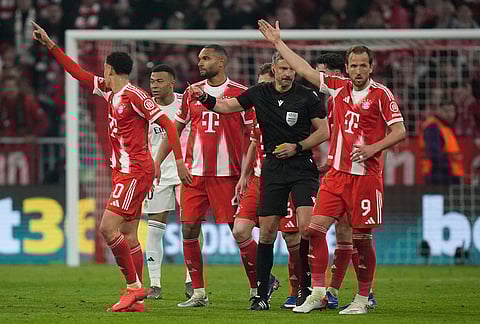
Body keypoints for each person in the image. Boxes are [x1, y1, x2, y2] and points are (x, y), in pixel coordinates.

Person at [32, 21, 191, 313]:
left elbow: (168, 123)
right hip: (125, 171)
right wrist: (51, 46)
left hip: (135, 172)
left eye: (104, 68)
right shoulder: (109, 90)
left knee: (107, 228)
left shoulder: (135, 95)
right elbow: (76, 72)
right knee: (129, 234)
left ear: (108, 68)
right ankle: (137, 300)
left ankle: (133, 287)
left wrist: (177, 160)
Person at [258, 19, 406, 315]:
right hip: (336, 176)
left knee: (361, 239)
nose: (359, 70)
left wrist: (372, 149)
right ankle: (318, 292)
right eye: (354, 65)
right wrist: (278, 43)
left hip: (365, 177)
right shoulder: (338, 88)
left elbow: (400, 131)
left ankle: (363, 297)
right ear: (348, 68)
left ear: (371, 68)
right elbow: (304, 70)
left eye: (364, 65)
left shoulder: (382, 95)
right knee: (313, 230)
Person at [188, 51, 329, 310]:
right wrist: (205, 98)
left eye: (291, 69)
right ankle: (261, 295)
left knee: (306, 227)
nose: (287, 73)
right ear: (274, 69)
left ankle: (307, 289)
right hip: (272, 170)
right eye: (282, 68)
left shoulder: (306, 96)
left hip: (301, 167)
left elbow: (324, 131)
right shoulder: (259, 93)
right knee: (267, 232)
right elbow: (226, 106)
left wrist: (297, 147)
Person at [155, 44, 255, 308]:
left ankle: (258, 287)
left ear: (221, 62)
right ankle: (198, 293)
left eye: (206, 58)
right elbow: (174, 130)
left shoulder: (241, 94)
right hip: (194, 175)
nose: (200, 62)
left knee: (239, 232)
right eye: (199, 58)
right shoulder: (191, 93)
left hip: (227, 175)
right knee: (188, 228)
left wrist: (249, 172)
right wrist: (160, 161)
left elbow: (255, 136)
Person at [233, 63, 300, 309]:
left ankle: (297, 291)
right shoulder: (255, 109)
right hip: (260, 178)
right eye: (258, 85)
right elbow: (253, 143)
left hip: (287, 177)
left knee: (292, 239)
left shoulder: (291, 105)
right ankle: (266, 284)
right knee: (240, 230)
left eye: (265, 84)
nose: (261, 89)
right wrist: (244, 176)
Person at [314, 53, 377, 310]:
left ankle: (364, 292)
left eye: (325, 73)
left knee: (354, 235)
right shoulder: (333, 102)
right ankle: (332, 290)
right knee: (338, 232)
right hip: (336, 172)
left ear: (341, 73)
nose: (322, 80)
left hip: (359, 175)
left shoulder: (365, 96)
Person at [143, 64, 193, 300]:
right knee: (154, 229)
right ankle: (154, 285)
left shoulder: (186, 103)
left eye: (160, 81)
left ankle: (192, 281)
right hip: (157, 172)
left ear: (172, 83)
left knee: (190, 227)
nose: (154, 85)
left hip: (186, 171)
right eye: (152, 81)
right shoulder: (144, 107)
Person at [419, 101, 464, 186]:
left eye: (452, 111)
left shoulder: (446, 127)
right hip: (438, 176)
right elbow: (434, 154)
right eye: (446, 111)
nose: (450, 114)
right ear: (439, 111)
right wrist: (449, 168)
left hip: (447, 175)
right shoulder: (433, 127)